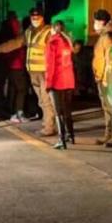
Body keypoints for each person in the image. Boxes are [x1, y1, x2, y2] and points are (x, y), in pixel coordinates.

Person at [0, 6, 55, 136]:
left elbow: (56, 51)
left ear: (43, 18)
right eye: (33, 17)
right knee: (42, 101)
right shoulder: (29, 32)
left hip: (45, 72)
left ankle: (49, 127)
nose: (35, 19)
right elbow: (15, 43)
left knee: (46, 100)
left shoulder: (49, 32)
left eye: (38, 17)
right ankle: (48, 124)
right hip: (33, 73)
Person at [91, 9, 112, 146]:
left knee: (111, 108)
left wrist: (105, 78)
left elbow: (111, 60)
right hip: (102, 77)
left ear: (101, 22)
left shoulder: (108, 37)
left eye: (95, 22)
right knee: (107, 109)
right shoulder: (105, 35)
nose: (94, 24)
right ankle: (108, 134)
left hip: (107, 79)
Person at [45, 20, 76, 149]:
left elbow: (50, 65)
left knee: (58, 112)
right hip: (69, 81)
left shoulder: (52, 42)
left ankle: (61, 140)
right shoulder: (67, 42)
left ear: (53, 29)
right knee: (67, 110)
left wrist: (48, 83)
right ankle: (71, 135)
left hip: (57, 82)